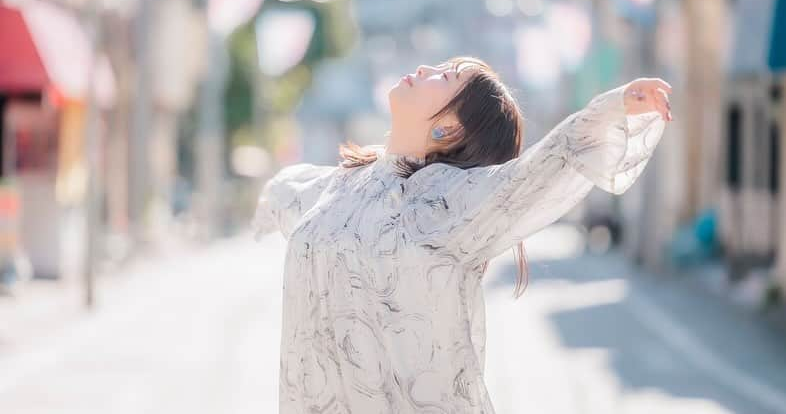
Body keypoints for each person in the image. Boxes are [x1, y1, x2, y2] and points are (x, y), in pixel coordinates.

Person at [253, 56, 673, 413]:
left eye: (446, 77)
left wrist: (611, 108)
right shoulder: (338, 185)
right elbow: (289, 195)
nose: (425, 69)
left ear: (450, 129)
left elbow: (539, 171)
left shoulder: (448, 204)